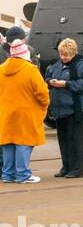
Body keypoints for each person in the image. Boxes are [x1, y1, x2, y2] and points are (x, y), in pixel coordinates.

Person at [0, 40, 48, 184]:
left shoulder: (1, 69)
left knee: (8, 142)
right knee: (24, 142)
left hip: (5, 111)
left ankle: (7, 174)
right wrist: (44, 106)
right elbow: (42, 92)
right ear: (25, 55)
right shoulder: (30, 70)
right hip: (26, 113)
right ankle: (23, 174)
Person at [45, 38, 83, 179]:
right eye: (61, 54)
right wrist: (50, 82)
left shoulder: (81, 65)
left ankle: (77, 169)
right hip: (60, 110)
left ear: (73, 53)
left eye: (66, 55)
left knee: (75, 140)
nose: (63, 57)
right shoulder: (56, 65)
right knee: (63, 140)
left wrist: (66, 84)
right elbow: (47, 76)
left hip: (74, 110)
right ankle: (66, 166)